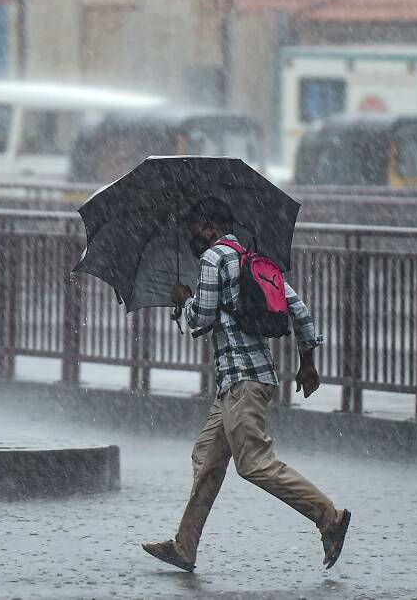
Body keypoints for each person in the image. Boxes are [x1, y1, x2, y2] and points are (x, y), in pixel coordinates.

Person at [143, 198, 351, 573]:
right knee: (206, 458)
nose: (190, 236)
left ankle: (330, 518)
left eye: (193, 228)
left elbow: (202, 318)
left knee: (254, 464)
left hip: (241, 382)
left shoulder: (211, 259)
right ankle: (184, 547)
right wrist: (307, 363)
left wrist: (183, 301)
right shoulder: (252, 259)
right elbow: (298, 309)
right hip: (247, 380)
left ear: (209, 227)